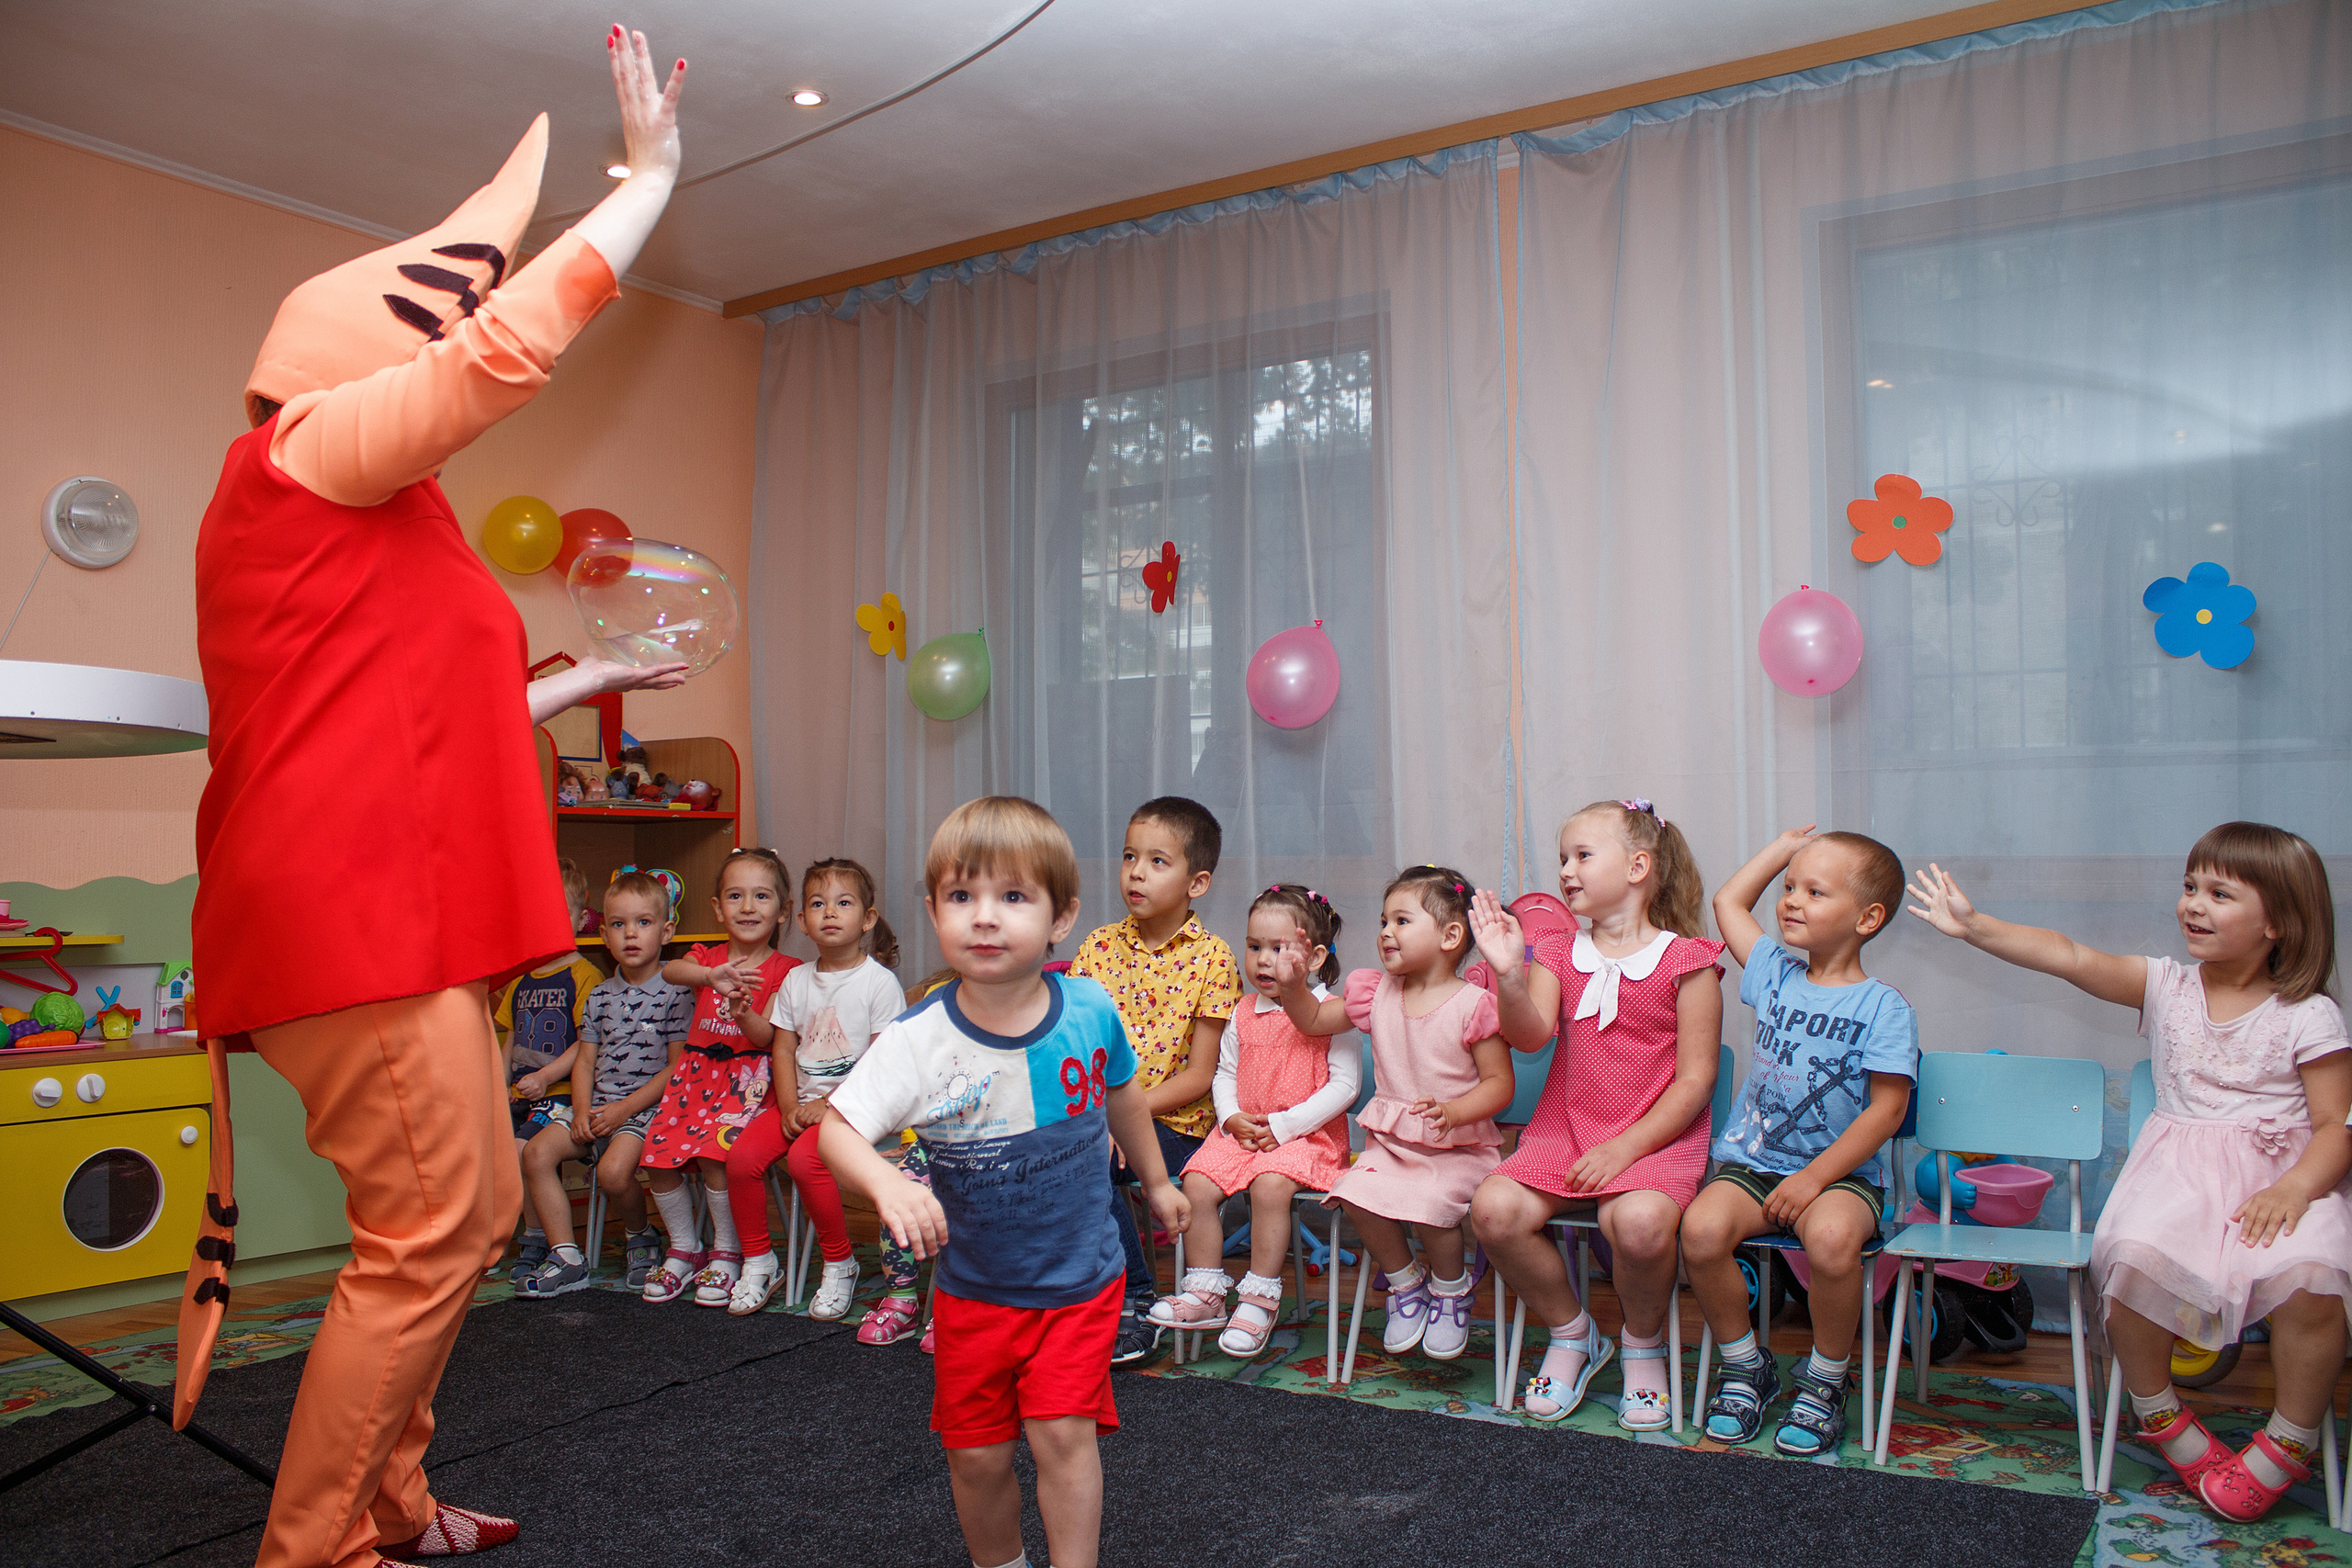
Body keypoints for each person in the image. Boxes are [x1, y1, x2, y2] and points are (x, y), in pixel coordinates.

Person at [176, 29, 691, 1568]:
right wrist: (649, 187)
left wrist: (555, 691)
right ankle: (318, 1547)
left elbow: (376, 701)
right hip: (355, 924)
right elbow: (491, 360)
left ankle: (388, 1504)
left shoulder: (359, 510)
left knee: (443, 1234)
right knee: (430, 1236)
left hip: (383, 915)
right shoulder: (304, 452)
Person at [1907, 822, 2349, 1521]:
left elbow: (2335, 1126)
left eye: (2219, 893)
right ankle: (2161, 1414)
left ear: (2280, 921)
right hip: (2179, 1176)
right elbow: (2069, 954)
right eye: (2189, 886)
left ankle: (2289, 1437)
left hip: (2282, 1180)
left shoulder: (2309, 1014)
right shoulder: (2167, 985)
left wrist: (2296, 1187)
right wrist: (1977, 927)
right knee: (2131, 1263)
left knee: (2315, 1278)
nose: (2193, 904)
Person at [819, 796, 1189, 1568]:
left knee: (1062, 1432)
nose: (984, 917)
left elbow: (1122, 1092)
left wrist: (1155, 1178)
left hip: (1078, 1281)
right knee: (978, 1457)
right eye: (962, 896)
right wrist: (889, 1186)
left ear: (1061, 918)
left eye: (1013, 896)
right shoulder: (917, 1039)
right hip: (975, 1293)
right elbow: (836, 1129)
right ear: (933, 911)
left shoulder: (1089, 1007)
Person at [1468, 799, 1723, 1426]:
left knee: (1636, 1224)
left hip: (1655, 1137)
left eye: (1583, 855)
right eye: (1562, 857)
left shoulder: (1689, 960)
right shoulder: (1557, 950)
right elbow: (1530, 1038)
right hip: (1565, 1128)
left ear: (1639, 865)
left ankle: (1642, 1342)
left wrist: (1625, 1148)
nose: (1566, 869)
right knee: (1493, 1210)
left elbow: (1695, 1081)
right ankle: (1573, 1334)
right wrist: (1509, 974)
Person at [1682, 826, 1916, 1457]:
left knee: (1833, 1239)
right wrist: (1783, 851)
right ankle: (1744, 1366)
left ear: (1867, 917)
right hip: (1757, 1164)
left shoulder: (1883, 1007)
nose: (1790, 900)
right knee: (1700, 1231)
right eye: (1789, 888)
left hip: (1842, 1177)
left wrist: (1815, 1179)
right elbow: (1729, 902)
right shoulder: (1774, 974)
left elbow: (1887, 1111)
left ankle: (1823, 1380)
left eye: (1814, 890)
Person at [1276, 866, 1513, 1362]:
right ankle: (1407, 1284)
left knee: (1429, 1205)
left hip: (1457, 1148)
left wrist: (1454, 1110)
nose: (1386, 931)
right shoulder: (1374, 991)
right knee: (1355, 1193)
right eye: (1384, 921)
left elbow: (1499, 1085)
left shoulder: (1474, 1005)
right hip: (1392, 1145)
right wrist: (1296, 985)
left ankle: (1452, 1292)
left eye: (1402, 920)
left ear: (1451, 936)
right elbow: (1315, 1020)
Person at [1065, 795, 1242, 1363]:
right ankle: (1059, 1295)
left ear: (1198, 882)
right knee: (1058, 1151)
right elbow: (1075, 1048)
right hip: (1094, 1113)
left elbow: (1200, 1075)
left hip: (1177, 1123)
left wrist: (1126, 1114)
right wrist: (1100, 1114)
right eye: (1128, 856)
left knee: (1093, 1161)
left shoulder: (1213, 959)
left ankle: (1135, 1303)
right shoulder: (1097, 946)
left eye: (1157, 861)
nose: (1136, 871)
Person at [1151, 884, 1358, 1357]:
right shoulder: (1243, 1011)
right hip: (1245, 1133)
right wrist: (1231, 1117)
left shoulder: (1334, 1013)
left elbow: (1344, 1087)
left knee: (1269, 1187)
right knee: (1198, 1185)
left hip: (1307, 1137)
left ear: (1316, 954)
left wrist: (1285, 1126)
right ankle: (1205, 1294)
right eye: (1254, 946)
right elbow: (1224, 1073)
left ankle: (1259, 1298)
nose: (1264, 960)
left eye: (1279, 949)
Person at [723, 856, 906, 1318]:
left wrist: (831, 1105)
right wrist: (788, 1107)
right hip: (802, 1106)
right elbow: (782, 1049)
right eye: (818, 904)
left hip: (859, 1109)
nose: (829, 912)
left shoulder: (879, 984)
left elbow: (883, 1063)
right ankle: (760, 1259)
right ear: (801, 920)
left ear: (866, 919)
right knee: (741, 1157)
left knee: (807, 1160)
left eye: (843, 903)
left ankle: (840, 1262)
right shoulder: (796, 980)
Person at [515, 873, 694, 1298]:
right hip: (596, 1109)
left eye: (644, 923)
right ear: (604, 934)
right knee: (537, 1153)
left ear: (667, 931)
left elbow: (676, 1069)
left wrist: (622, 1110)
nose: (630, 934)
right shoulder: (599, 996)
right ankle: (566, 1256)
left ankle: (641, 1236)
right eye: (618, 924)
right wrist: (580, 1112)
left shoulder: (677, 990)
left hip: (646, 1110)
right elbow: (586, 1060)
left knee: (614, 1173)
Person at [642, 849, 800, 1305]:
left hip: (746, 1081)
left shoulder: (786, 971)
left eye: (761, 896)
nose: (748, 907)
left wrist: (741, 1009)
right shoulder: (706, 957)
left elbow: (767, 1036)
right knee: (657, 1155)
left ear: (783, 910)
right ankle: (685, 1249)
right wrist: (712, 976)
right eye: (735, 896)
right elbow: (670, 970)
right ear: (717, 907)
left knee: (716, 1155)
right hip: (694, 1077)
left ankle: (727, 1253)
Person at [492, 858, 606, 1282]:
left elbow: (586, 1043)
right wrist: (500, 1083)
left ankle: (539, 1239)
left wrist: (544, 1077)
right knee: (504, 1155)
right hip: (523, 1093)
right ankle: (530, 1235)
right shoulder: (522, 979)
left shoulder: (584, 975)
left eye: (561, 915)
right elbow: (511, 1038)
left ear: (581, 920)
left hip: (561, 1093)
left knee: (526, 1153)